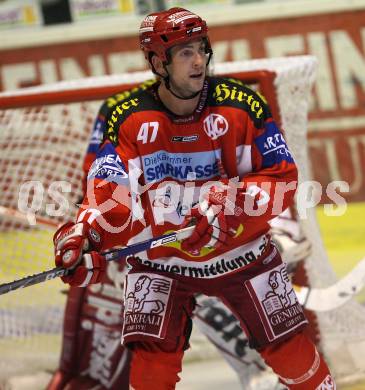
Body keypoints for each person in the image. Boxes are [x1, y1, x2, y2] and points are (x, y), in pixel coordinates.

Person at [52, 7, 335, 390]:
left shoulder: (242, 105)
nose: (199, 60)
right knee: (151, 368)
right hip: (162, 260)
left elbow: (282, 178)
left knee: (291, 352)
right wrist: (88, 233)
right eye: (185, 52)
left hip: (242, 252)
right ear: (157, 61)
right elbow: (107, 190)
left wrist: (234, 203)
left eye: (201, 48)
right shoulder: (127, 118)